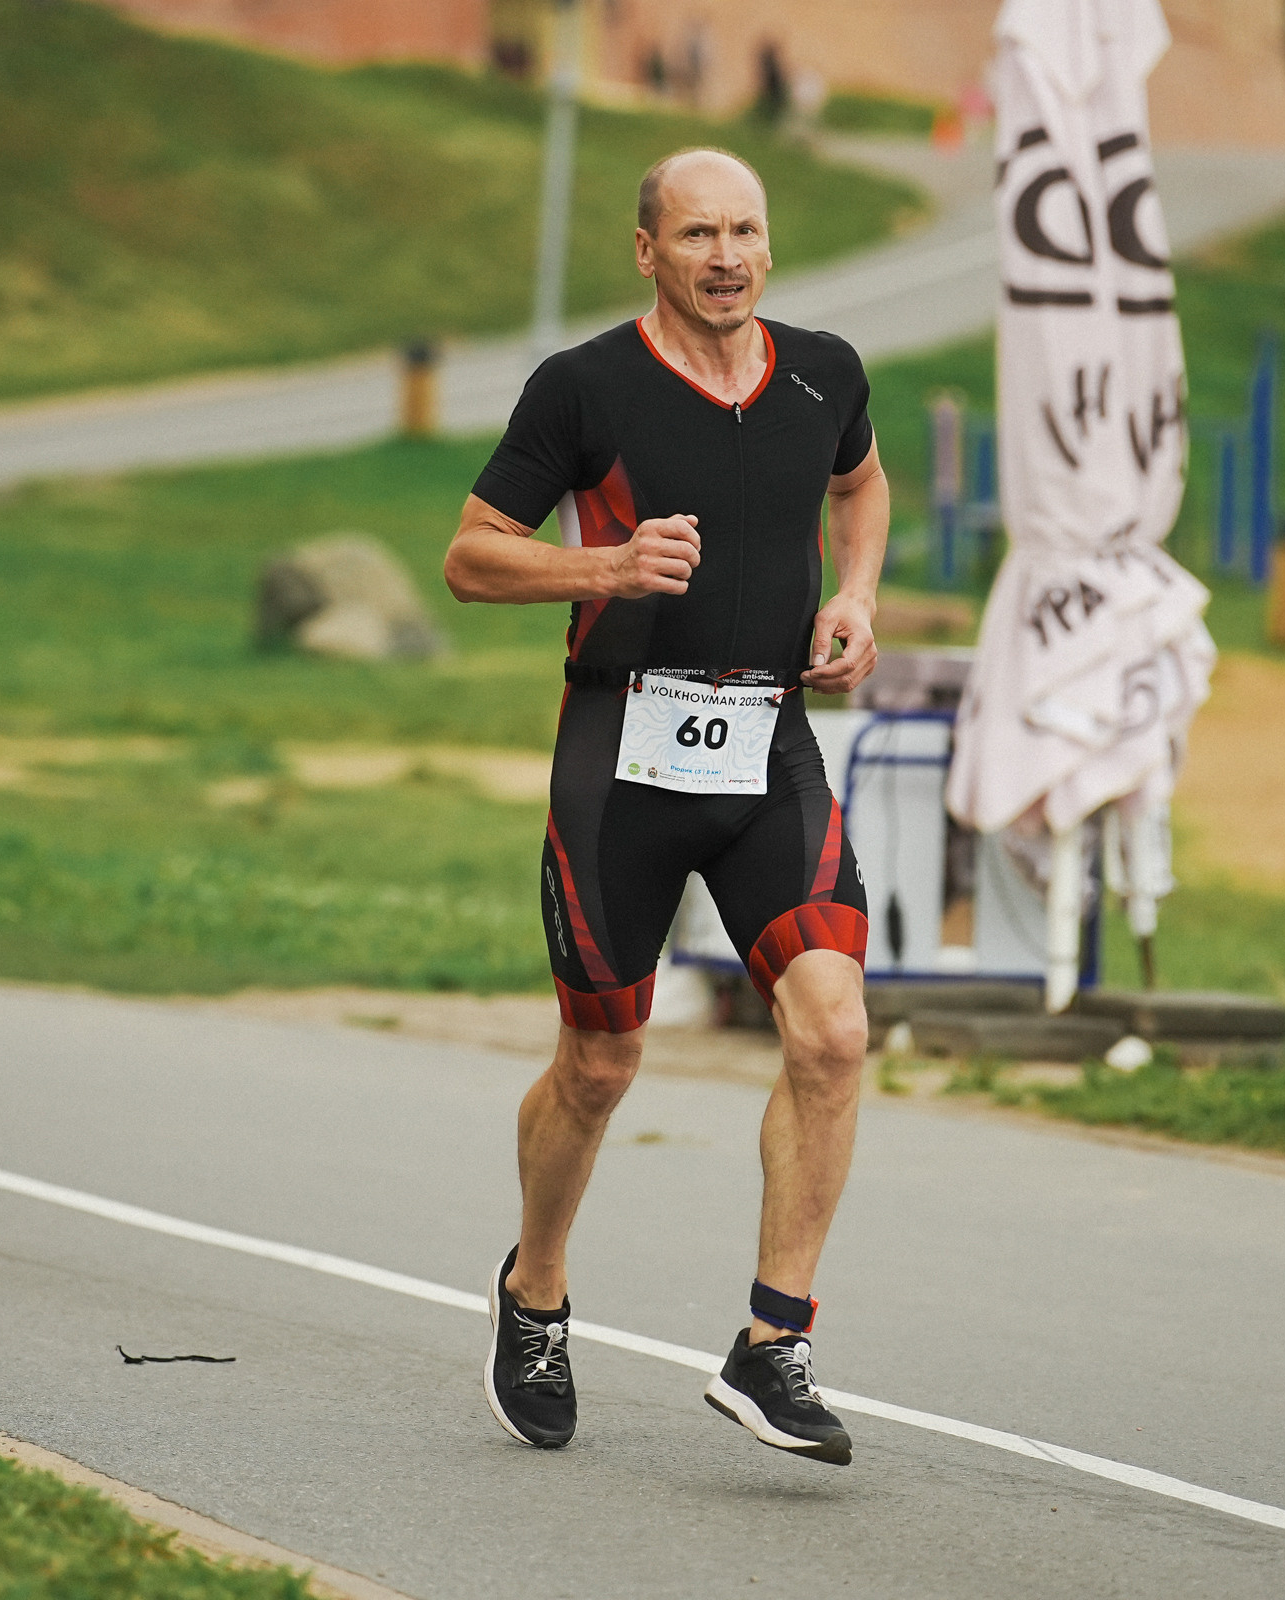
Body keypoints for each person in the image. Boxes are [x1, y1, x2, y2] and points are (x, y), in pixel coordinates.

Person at [444, 148, 887, 1464]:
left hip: (768, 746)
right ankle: (534, 1294)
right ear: (648, 251)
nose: (728, 255)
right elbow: (471, 556)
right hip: (621, 754)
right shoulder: (584, 388)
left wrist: (854, 593)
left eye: (745, 229)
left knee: (832, 1033)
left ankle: (775, 1343)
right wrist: (607, 564)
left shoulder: (823, 373)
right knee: (599, 1064)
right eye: (698, 233)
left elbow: (859, 484)